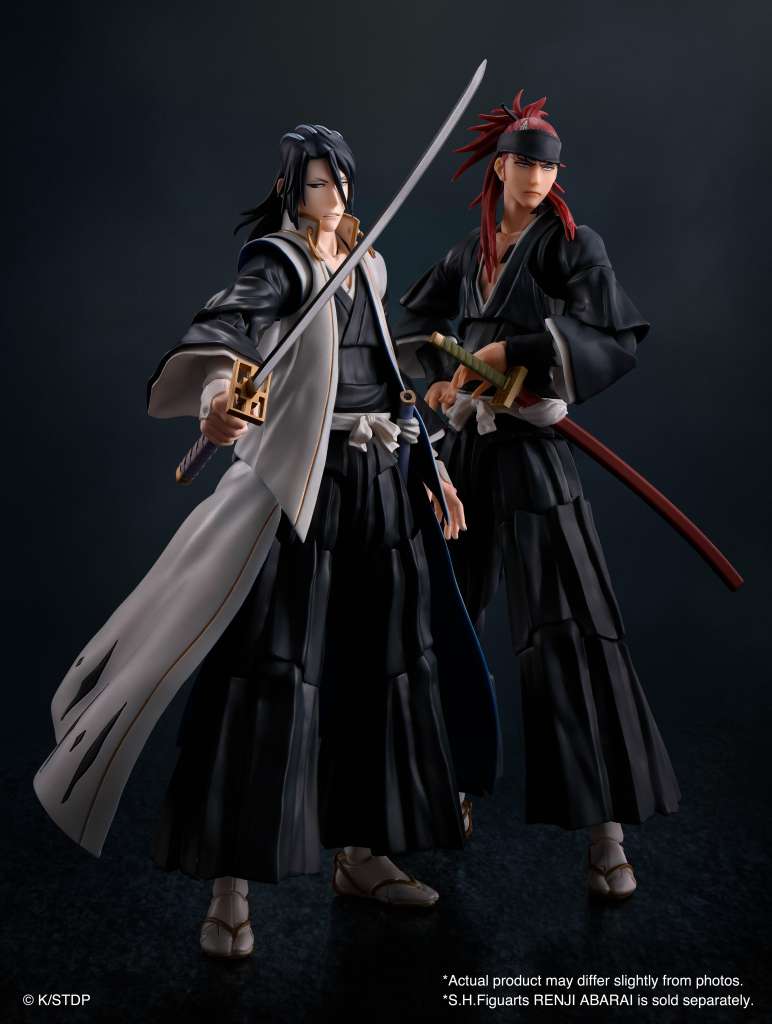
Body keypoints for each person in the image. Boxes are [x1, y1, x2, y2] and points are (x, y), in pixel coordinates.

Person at [33, 124, 499, 957]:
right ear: (292, 192)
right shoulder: (277, 263)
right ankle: (230, 892)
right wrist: (220, 398)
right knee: (267, 671)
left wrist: (433, 470)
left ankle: (362, 853)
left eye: (342, 182)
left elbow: (386, 380)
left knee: (383, 669)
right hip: (302, 492)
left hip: (378, 483)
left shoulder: (367, 264)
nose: (335, 198)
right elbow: (232, 329)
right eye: (318, 185)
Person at [395, 91, 680, 901]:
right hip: (466, 455)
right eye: (525, 163)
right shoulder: (468, 253)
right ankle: (445, 786)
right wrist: (443, 375)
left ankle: (605, 833)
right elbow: (412, 330)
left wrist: (520, 354)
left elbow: (610, 334)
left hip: (533, 452)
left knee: (572, 626)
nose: (538, 178)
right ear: (500, 168)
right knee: (441, 619)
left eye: (550, 167)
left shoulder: (571, 245)